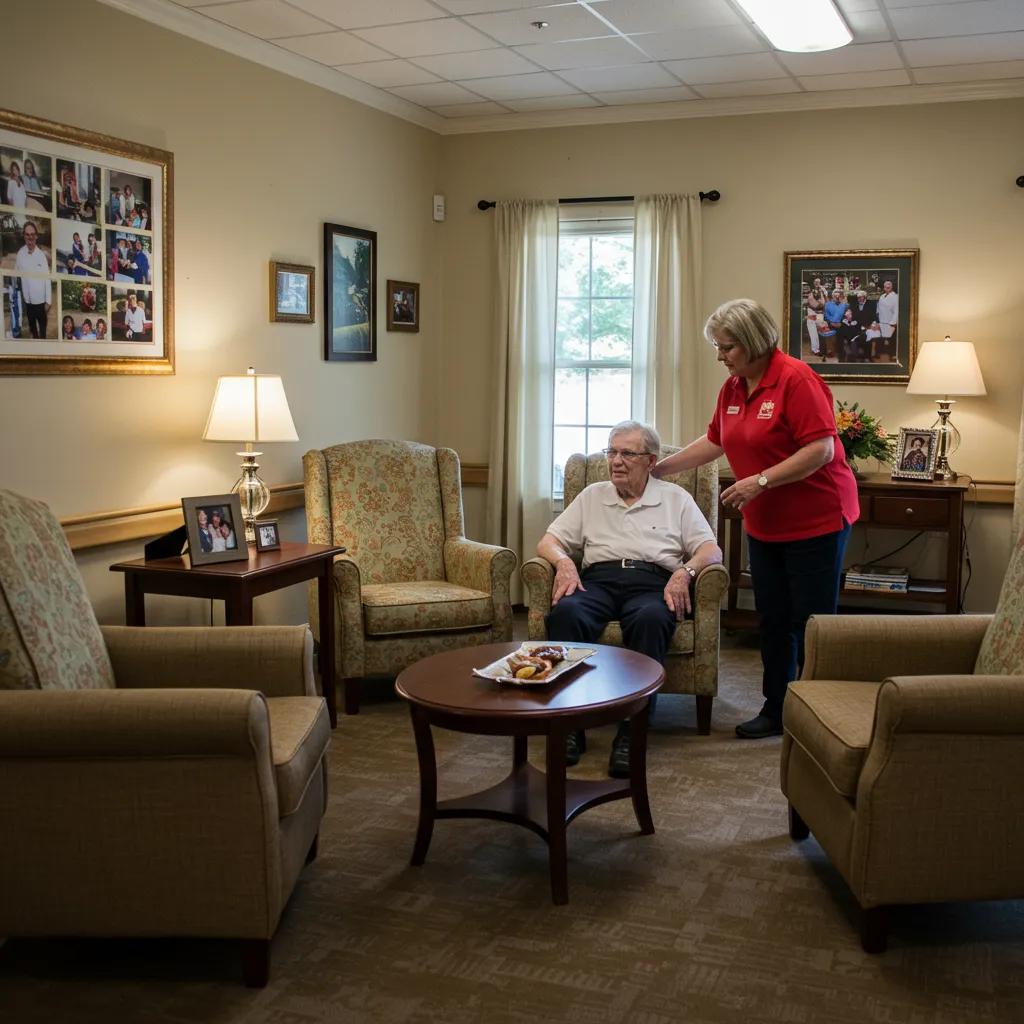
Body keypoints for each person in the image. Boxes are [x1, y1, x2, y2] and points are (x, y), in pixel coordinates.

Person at [653, 299, 858, 739]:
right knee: (773, 617)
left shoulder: (796, 380)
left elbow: (820, 450)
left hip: (816, 518)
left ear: (752, 342)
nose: (720, 356)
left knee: (812, 622)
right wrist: (659, 467)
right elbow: (714, 441)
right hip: (766, 522)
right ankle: (777, 706)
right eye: (717, 347)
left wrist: (759, 481)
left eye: (726, 347)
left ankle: (818, 713)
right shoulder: (732, 387)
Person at [537, 420, 723, 776]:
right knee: (566, 613)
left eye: (627, 453)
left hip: (652, 581)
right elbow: (549, 541)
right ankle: (569, 726)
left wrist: (685, 572)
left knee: (652, 619)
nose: (616, 461)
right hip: (599, 580)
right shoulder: (593, 495)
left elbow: (710, 550)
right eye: (612, 452)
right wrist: (563, 563)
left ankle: (632, 731)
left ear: (651, 461)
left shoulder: (675, 498)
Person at [14, 221, 51, 338]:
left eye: (32, 234)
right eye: (27, 234)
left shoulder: (41, 255)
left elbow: (47, 279)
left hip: (41, 302)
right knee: (32, 328)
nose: (30, 237)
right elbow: (16, 274)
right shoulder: (20, 253)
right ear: (24, 236)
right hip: (28, 302)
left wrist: (48, 301)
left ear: (36, 236)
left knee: (43, 329)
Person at [875, 279, 898, 361]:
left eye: (889, 285)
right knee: (879, 338)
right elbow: (878, 308)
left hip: (890, 321)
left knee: (892, 340)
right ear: (884, 288)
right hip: (882, 320)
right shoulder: (882, 296)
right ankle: (878, 353)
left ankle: (893, 355)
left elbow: (896, 311)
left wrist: (893, 323)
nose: (887, 286)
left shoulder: (895, 297)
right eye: (886, 286)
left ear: (892, 287)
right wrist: (877, 317)